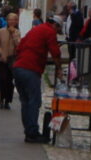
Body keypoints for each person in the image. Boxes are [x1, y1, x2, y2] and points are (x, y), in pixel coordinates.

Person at [13, 15, 62, 143]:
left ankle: (29, 131)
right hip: (30, 69)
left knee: (25, 101)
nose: (57, 33)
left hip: (18, 67)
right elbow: (55, 52)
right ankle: (32, 133)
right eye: (58, 30)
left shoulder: (36, 29)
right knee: (34, 101)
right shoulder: (50, 31)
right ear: (55, 25)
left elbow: (20, 46)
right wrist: (59, 69)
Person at [0, 12, 21, 110]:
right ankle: (1, 99)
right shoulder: (1, 31)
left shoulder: (17, 32)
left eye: (14, 20)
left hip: (13, 59)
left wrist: (13, 34)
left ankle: (7, 101)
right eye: (10, 19)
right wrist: (0, 52)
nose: (12, 21)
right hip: (2, 59)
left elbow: (19, 45)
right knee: (2, 79)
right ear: (7, 21)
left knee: (10, 81)